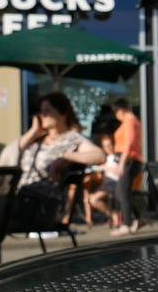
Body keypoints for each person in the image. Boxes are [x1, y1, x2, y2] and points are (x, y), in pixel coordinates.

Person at [12, 92, 105, 224]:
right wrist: (32, 132)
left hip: (40, 204)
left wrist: (65, 157)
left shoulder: (72, 138)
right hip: (18, 198)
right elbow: (11, 155)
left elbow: (99, 156)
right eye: (41, 111)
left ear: (63, 113)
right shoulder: (36, 139)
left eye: (47, 111)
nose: (42, 115)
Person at [110, 98, 145, 237]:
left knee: (122, 192)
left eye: (115, 112)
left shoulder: (130, 121)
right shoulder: (131, 121)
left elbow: (128, 144)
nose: (115, 115)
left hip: (129, 160)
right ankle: (140, 218)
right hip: (130, 159)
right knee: (123, 192)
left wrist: (121, 163)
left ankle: (126, 224)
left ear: (121, 110)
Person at [83, 134, 121, 228]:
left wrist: (105, 168)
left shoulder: (118, 156)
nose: (108, 148)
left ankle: (113, 215)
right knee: (87, 197)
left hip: (115, 184)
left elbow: (118, 172)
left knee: (93, 199)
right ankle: (89, 218)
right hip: (106, 184)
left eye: (109, 145)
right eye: (105, 146)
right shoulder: (106, 158)